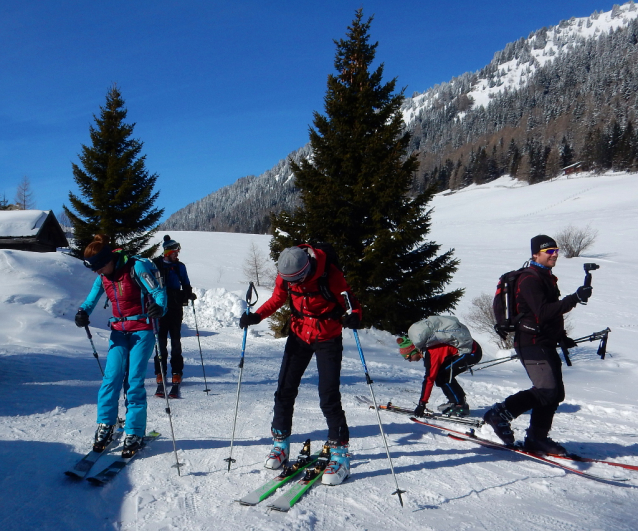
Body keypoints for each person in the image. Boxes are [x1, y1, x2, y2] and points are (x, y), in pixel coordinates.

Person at [239, 244, 362, 486]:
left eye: (295, 280)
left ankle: (340, 456)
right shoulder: (287, 276)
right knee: (284, 389)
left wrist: (355, 314)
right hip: (299, 335)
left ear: (305, 271)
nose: (291, 284)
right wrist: (257, 316)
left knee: (328, 396)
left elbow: (351, 302)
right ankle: (280, 444)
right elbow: (277, 298)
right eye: (288, 280)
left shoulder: (331, 276)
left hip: (328, 338)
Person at [483, 234, 593, 455]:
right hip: (530, 342)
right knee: (546, 390)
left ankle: (537, 438)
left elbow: (547, 314)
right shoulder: (530, 279)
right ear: (535, 254)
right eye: (549, 251)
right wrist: (574, 299)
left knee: (555, 393)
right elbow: (542, 312)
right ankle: (500, 413)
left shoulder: (546, 277)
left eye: (556, 250)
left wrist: (561, 335)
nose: (555, 255)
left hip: (544, 341)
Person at [74, 234, 167, 457]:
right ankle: (106, 424)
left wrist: (159, 308)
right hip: (118, 331)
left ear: (108, 260)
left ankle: (134, 431)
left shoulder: (138, 267)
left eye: (98, 268)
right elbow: (91, 299)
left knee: (133, 381)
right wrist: (82, 312)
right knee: (111, 378)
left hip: (142, 329)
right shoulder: (103, 276)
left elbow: (158, 291)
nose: (97, 273)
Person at [397, 316, 482, 418]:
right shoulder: (427, 349)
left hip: (471, 353)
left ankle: (460, 405)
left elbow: (429, 379)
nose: (409, 360)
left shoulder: (430, 352)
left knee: (443, 375)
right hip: (469, 349)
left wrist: (422, 404)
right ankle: (455, 402)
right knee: (441, 375)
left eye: (408, 357)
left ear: (413, 351)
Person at [152, 235, 196, 392]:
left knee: (176, 343)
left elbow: (186, 284)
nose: (177, 255)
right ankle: (160, 373)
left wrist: (188, 294)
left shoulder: (180, 267)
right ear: (167, 252)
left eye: (177, 252)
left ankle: (177, 372)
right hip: (159, 310)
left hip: (176, 309)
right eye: (175, 252)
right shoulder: (155, 265)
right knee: (160, 343)